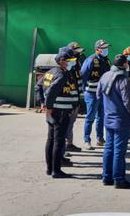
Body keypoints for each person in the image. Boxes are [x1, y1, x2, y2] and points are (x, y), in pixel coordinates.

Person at [96, 54, 130, 189]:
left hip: (108, 117)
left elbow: (98, 94)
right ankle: (119, 179)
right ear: (124, 64)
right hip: (121, 119)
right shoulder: (124, 79)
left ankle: (106, 177)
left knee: (109, 148)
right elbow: (128, 102)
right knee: (119, 150)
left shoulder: (105, 76)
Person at [43, 49, 78, 179]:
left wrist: (43, 104)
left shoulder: (50, 73)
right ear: (62, 62)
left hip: (54, 112)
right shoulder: (61, 75)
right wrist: (49, 107)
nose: (73, 63)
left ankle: (49, 168)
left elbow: (39, 86)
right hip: (60, 112)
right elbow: (52, 91)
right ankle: (56, 170)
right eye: (70, 61)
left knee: (51, 140)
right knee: (58, 141)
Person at [81, 39, 111, 150]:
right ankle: (87, 140)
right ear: (97, 49)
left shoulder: (107, 61)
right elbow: (83, 75)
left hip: (103, 94)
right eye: (104, 48)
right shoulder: (91, 60)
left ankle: (100, 139)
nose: (106, 50)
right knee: (90, 117)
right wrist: (85, 90)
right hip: (92, 94)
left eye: (107, 48)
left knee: (101, 117)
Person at [64, 41, 85, 153]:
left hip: (75, 98)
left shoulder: (77, 63)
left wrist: (79, 100)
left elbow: (79, 82)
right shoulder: (67, 65)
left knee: (71, 123)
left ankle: (69, 144)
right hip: (68, 100)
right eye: (76, 52)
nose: (78, 54)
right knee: (65, 124)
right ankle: (62, 149)